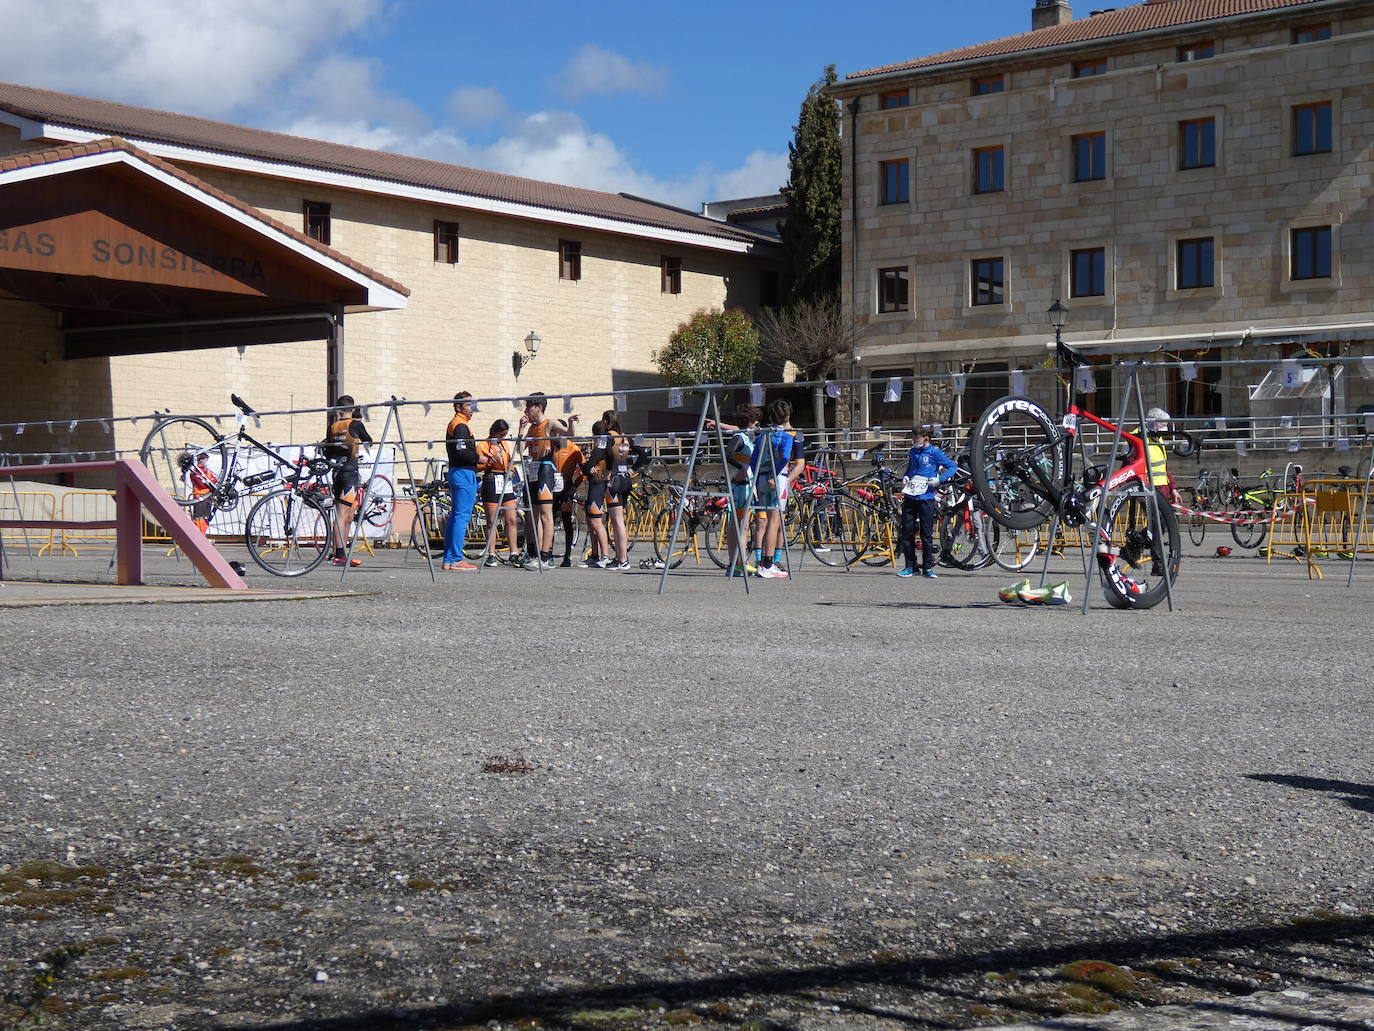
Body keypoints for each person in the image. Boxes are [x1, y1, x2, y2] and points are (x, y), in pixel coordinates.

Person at [517, 392, 576, 570]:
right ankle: (535, 553)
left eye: (529, 406)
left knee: (545, 514)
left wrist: (571, 421)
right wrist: (521, 429)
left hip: (545, 470)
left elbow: (569, 434)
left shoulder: (548, 423)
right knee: (534, 515)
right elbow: (520, 449)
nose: (526, 409)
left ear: (539, 407)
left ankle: (545, 555)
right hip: (533, 469)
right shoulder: (532, 427)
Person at [898, 424, 957, 578]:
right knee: (907, 532)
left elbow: (952, 467)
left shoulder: (934, 452)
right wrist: (906, 476)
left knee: (926, 534)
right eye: (913, 438)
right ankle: (910, 566)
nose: (914, 441)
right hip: (910, 496)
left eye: (916, 439)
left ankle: (928, 567)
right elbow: (911, 469)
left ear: (925, 439)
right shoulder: (913, 452)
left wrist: (939, 479)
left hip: (926, 498)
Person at [323, 395, 374, 567]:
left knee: (348, 515)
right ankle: (339, 554)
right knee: (342, 514)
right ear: (353, 410)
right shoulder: (355, 424)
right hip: (350, 472)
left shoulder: (332, 427)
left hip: (337, 473)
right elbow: (368, 440)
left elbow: (328, 452)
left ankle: (339, 551)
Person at [749, 409, 794, 578]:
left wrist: (755, 479)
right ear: (787, 418)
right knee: (774, 521)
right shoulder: (786, 436)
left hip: (760, 478)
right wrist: (773, 474)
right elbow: (785, 458)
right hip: (776, 479)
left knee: (765, 520)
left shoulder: (762, 436)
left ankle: (763, 561)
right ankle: (768, 563)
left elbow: (753, 460)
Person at [442, 391, 479, 571]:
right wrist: (479, 458)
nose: (472, 409)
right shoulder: (460, 426)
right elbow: (462, 452)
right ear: (459, 406)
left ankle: (449, 558)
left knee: (456, 516)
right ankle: (456, 558)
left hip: (457, 472)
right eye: (468, 405)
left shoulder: (457, 424)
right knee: (461, 516)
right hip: (463, 472)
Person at [475, 418, 520, 566]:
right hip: (491, 479)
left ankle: (514, 552)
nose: (502, 438)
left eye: (505, 435)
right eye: (501, 434)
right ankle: (491, 554)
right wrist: (490, 462)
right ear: (494, 432)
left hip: (505, 481)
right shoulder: (482, 445)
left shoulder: (504, 445)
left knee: (511, 518)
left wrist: (512, 469)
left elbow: (510, 461)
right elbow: (477, 465)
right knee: (491, 520)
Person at [579, 419, 611, 568]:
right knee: (591, 522)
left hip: (598, 485)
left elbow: (588, 466)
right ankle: (594, 554)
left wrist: (587, 466)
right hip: (594, 484)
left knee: (597, 523)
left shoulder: (600, 448)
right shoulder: (601, 448)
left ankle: (605, 555)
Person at [551, 430, 586, 567]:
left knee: (566, 522)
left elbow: (585, 469)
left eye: (560, 434)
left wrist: (575, 486)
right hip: (551, 488)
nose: (557, 437)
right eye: (555, 434)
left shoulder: (572, 447)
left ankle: (567, 556)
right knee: (550, 521)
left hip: (566, 488)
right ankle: (548, 554)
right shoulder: (550, 445)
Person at [1144, 407, 1177, 502]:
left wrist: (1173, 489)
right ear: (1154, 423)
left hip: (1162, 489)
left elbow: (1164, 467)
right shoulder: (1139, 438)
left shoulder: (1158, 438)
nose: (1165, 429)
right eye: (1163, 425)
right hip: (1149, 489)